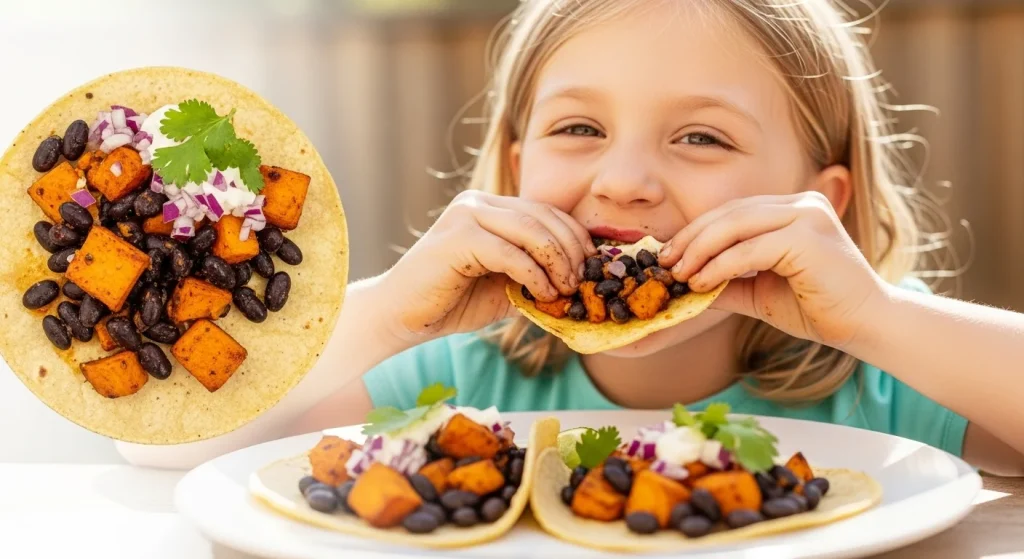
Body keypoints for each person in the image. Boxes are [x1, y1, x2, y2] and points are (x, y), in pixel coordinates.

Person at [119, 0, 1024, 474]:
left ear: (815, 201)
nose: (624, 179)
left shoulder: (886, 388)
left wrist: (875, 318)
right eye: (578, 130)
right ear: (513, 172)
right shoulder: (451, 375)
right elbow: (158, 441)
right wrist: (393, 312)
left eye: (702, 137)